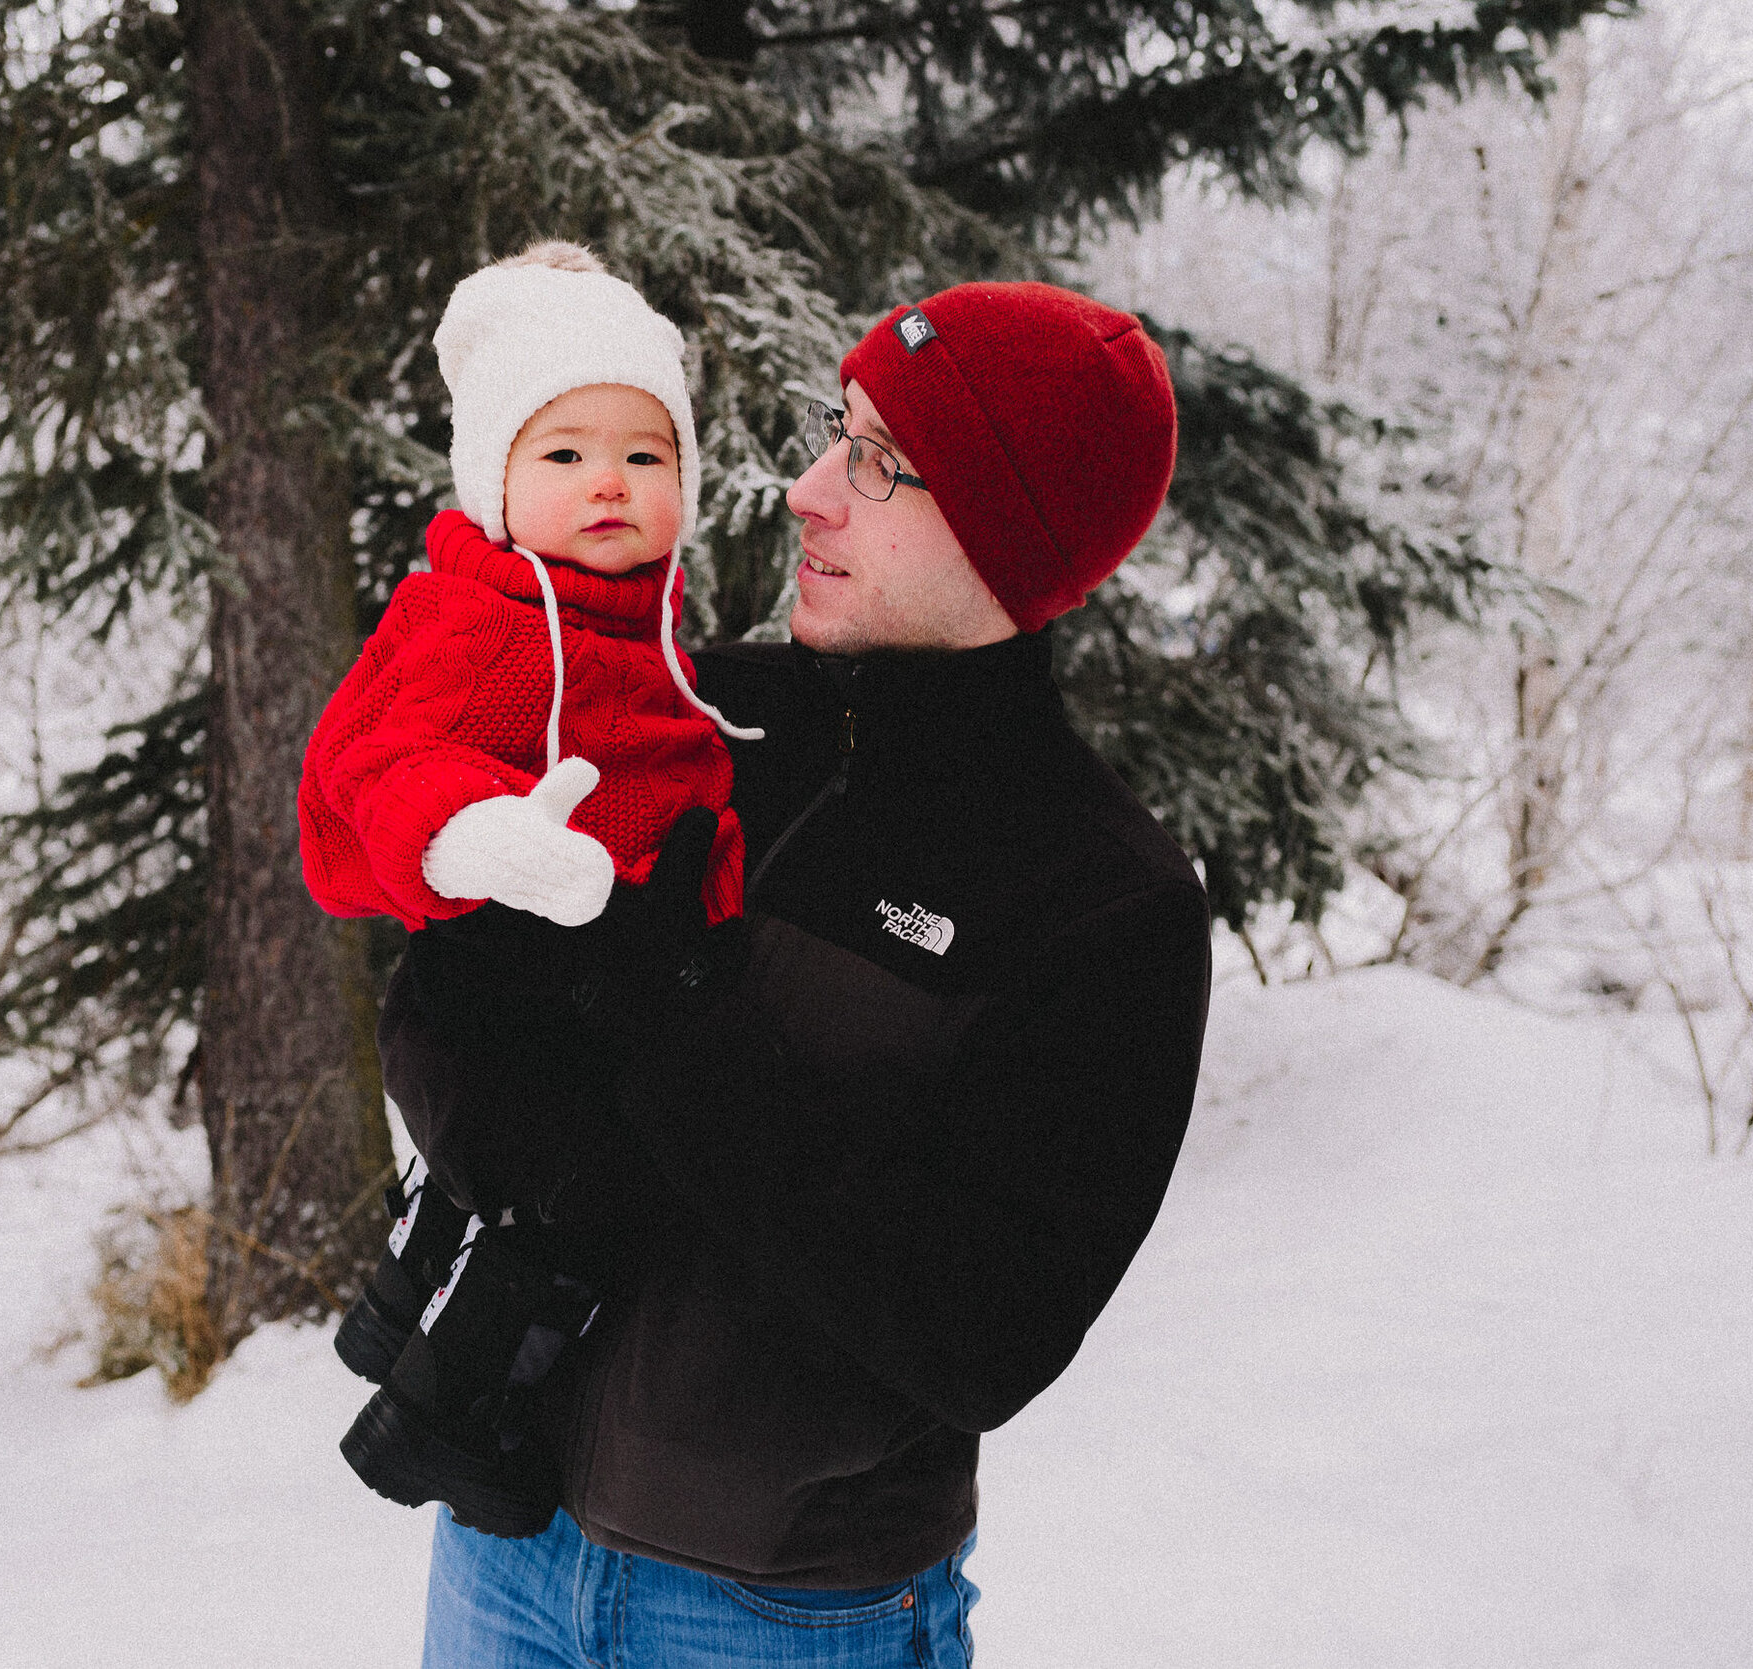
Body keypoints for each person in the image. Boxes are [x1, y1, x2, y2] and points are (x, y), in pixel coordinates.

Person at [383, 280, 1216, 1667]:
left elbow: (979, 1332)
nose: (809, 488)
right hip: (504, 1550)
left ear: (1011, 535)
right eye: (840, 431)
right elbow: (431, 1020)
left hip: (783, 1619)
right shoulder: (697, 721)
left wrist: (670, 1022)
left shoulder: (1102, 899)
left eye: (881, 462)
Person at [298, 242, 755, 1537]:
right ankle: (441, 1418)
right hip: (493, 975)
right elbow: (369, 765)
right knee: (585, 1201)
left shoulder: (656, 629)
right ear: (494, 477)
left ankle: (401, 1300)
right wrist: (469, 834)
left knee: (533, 1172)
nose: (609, 480)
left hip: (593, 980)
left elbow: (694, 791)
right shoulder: (475, 616)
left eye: (646, 455)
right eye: (564, 454)